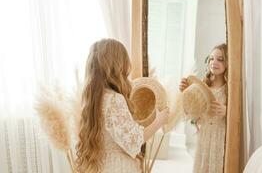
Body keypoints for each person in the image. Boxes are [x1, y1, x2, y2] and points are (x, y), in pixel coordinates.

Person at [75, 39, 169, 173]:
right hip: (118, 167)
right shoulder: (114, 99)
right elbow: (134, 142)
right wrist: (159, 122)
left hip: (101, 166)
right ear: (117, 65)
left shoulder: (93, 99)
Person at [179, 43, 227, 173]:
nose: (214, 62)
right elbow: (192, 112)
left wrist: (226, 111)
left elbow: (238, 116)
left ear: (227, 63)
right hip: (204, 135)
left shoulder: (229, 89)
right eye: (211, 58)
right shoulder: (203, 86)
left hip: (220, 136)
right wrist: (185, 92)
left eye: (220, 59)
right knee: (202, 166)